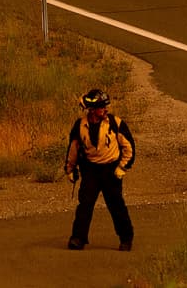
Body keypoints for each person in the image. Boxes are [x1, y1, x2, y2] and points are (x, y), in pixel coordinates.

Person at [64, 87, 135, 251]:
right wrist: (70, 169)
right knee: (85, 205)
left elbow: (129, 147)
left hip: (111, 171)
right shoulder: (80, 125)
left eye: (105, 106)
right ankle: (77, 239)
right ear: (93, 110)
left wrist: (123, 167)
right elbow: (73, 148)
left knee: (116, 205)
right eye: (102, 107)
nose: (105, 109)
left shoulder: (115, 123)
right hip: (91, 171)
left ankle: (126, 238)